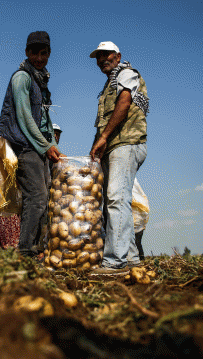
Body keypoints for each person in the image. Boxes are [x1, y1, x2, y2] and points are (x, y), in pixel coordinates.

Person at [0, 31, 63, 257]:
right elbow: (25, 117)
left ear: (49, 54)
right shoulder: (22, 77)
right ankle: (26, 251)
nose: (39, 57)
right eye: (34, 52)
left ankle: (38, 249)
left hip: (39, 147)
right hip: (27, 147)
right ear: (27, 52)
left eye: (43, 53)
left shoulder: (40, 79)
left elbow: (44, 119)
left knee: (44, 199)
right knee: (36, 197)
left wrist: (52, 143)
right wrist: (45, 146)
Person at [88, 41, 149, 275]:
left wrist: (103, 137)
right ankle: (132, 258)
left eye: (107, 55)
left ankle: (115, 262)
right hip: (115, 146)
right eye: (99, 57)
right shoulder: (108, 85)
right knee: (116, 199)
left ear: (118, 55)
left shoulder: (126, 74)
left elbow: (124, 104)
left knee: (116, 199)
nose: (103, 59)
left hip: (127, 143)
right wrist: (98, 144)